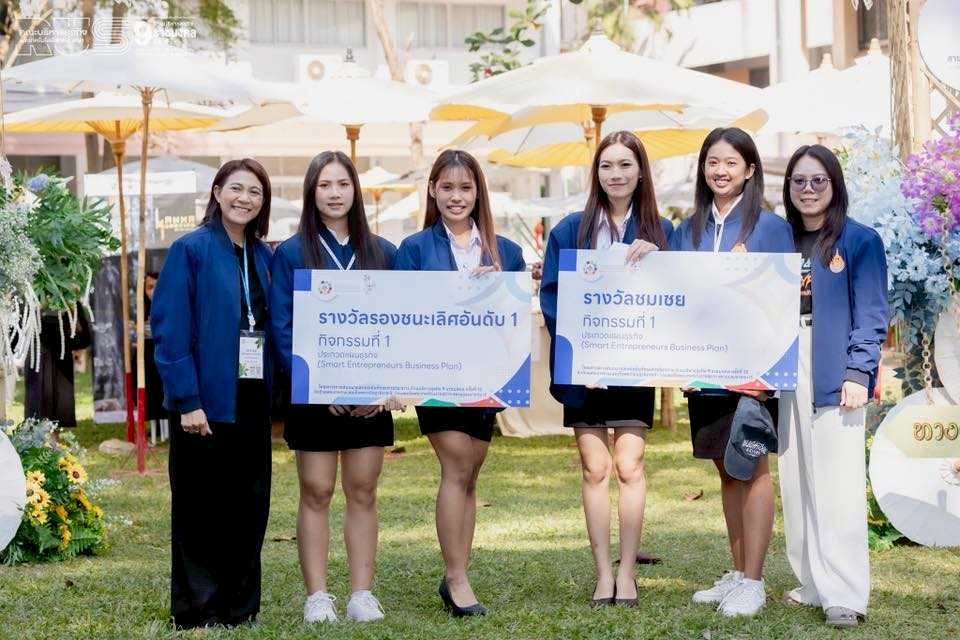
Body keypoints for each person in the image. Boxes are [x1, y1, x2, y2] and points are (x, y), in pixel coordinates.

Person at [540, 130, 672, 608]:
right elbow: (551, 297)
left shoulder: (662, 232)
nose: (615, 174)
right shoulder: (569, 231)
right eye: (606, 165)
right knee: (595, 468)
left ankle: (628, 572)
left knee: (629, 466)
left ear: (641, 173)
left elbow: (677, 296)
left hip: (634, 366)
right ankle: (602, 573)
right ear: (595, 174)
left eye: (625, 165)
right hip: (586, 370)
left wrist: (661, 260)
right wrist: (581, 357)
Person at [269, 151, 399, 624]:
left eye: (343, 184)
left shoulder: (383, 252)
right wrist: (322, 388)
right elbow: (282, 327)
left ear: (355, 190)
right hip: (314, 395)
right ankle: (317, 595)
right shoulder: (290, 253)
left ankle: (362, 593)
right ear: (311, 192)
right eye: (324, 185)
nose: (335, 193)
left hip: (370, 399)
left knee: (363, 490)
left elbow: (401, 322)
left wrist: (384, 387)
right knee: (316, 490)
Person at [670, 127, 794, 617]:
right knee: (725, 469)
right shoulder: (689, 229)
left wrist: (767, 374)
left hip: (754, 373)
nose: (720, 171)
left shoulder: (771, 228)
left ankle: (755, 581)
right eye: (712, 162)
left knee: (753, 467)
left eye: (730, 162)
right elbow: (675, 296)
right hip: (703, 372)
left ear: (749, 169)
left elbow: (784, 302)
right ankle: (738, 572)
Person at [394, 149, 525, 617]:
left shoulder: (506, 251)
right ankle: (456, 578)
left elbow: (514, 326)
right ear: (432, 190)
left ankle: (458, 570)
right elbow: (403, 316)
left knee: (471, 473)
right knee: (457, 464)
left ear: (478, 193)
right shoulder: (413, 249)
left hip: (486, 376)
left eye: (465, 187)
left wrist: (498, 293)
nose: (456, 196)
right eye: (447, 187)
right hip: (435, 375)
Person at [151, 158, 274, 629]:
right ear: (218, 192)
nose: (245, 199)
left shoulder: (264, 256)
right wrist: (187, 401)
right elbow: (169, 329)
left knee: (249, 506)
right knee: (200, 509)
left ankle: (240, 607)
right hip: (204, 400)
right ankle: (198, 609)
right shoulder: (191, 249)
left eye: (255, 192)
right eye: (236, 188)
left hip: (253, 399)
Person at [778, 145, 887, 629]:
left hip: (835, 366)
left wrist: (858, 373)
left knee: (837, 481)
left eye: (818, 180)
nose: (808, 189)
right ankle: (812, 582)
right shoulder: (780, 240)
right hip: (786, 366)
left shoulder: (860, 241)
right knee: (795, 477)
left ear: (834, 184)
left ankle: (844, 593)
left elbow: (872, 314)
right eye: (799, 181)